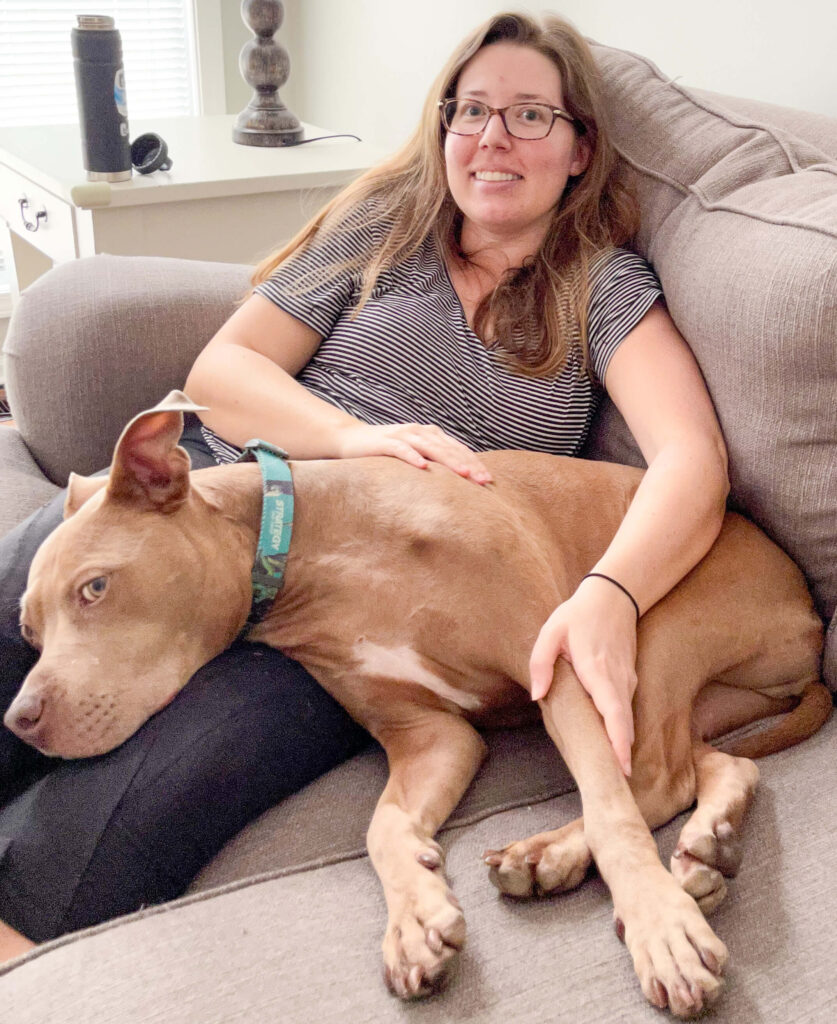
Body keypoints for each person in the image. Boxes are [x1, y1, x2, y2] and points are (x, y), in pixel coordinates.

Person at [0, 11, 728, 962]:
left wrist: (609, 593)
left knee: (123, 822)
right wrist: (356, 439)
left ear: (580, 149)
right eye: (468, 111)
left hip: (337, 602)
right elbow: (225, 374)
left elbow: (689, 460)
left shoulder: (602, 288)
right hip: (185, 503)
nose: (491, 137)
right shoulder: (386, 228)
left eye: (528, 115)